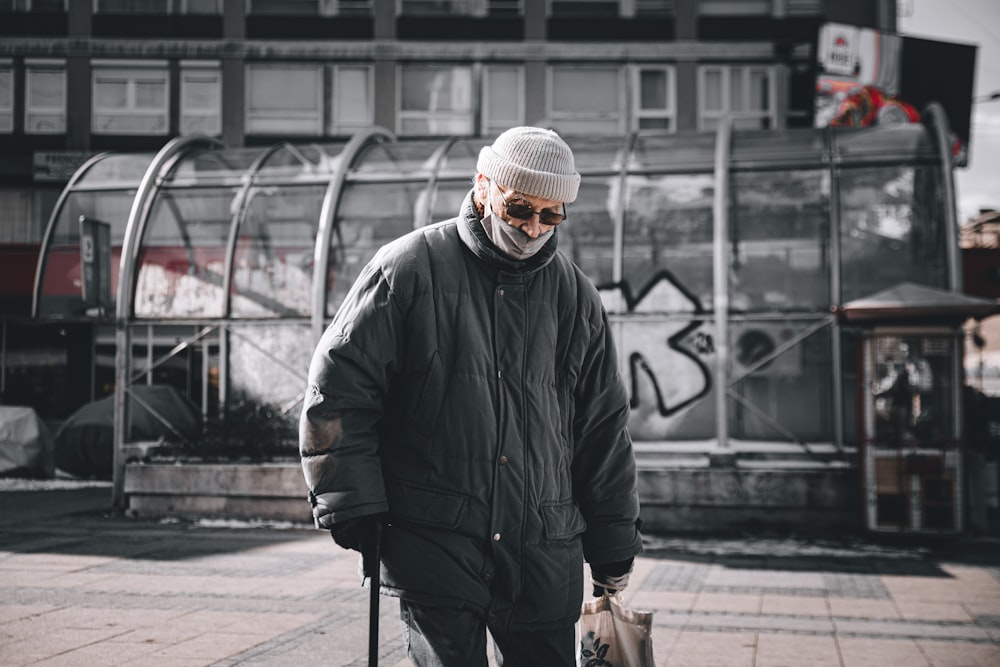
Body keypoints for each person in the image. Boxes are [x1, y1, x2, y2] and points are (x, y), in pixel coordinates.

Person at [299, 126, 643, 667]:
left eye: (551, 215)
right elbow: (340, 392)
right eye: (519, 208)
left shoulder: (575, 295)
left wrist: (614, 543)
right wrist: (353, 504)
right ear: (483, 187)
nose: (533, 228)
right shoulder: (407, 269)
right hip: (435, 540)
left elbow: (601, 431)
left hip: (544, 549)